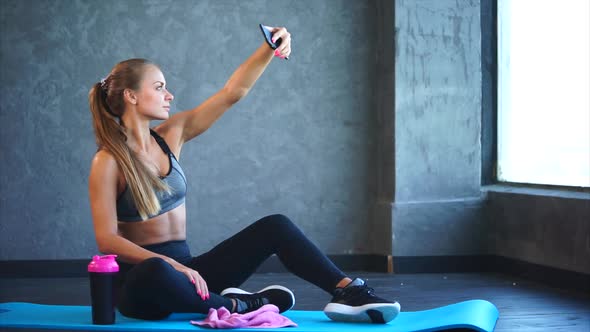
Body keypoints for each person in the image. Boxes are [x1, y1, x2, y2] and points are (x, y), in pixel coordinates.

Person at [87, 25, 400, 324]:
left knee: (275, 226)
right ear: (131, 96)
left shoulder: (171, 135)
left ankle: (347, 291)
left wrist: (269, 47)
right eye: (159, 87)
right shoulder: (108, 161)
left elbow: (231, 93)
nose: (169, 94)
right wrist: (171, 266)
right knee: (154, 271)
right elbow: (107, 239)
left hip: (192, 273)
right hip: (144, 286)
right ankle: (245, 304)